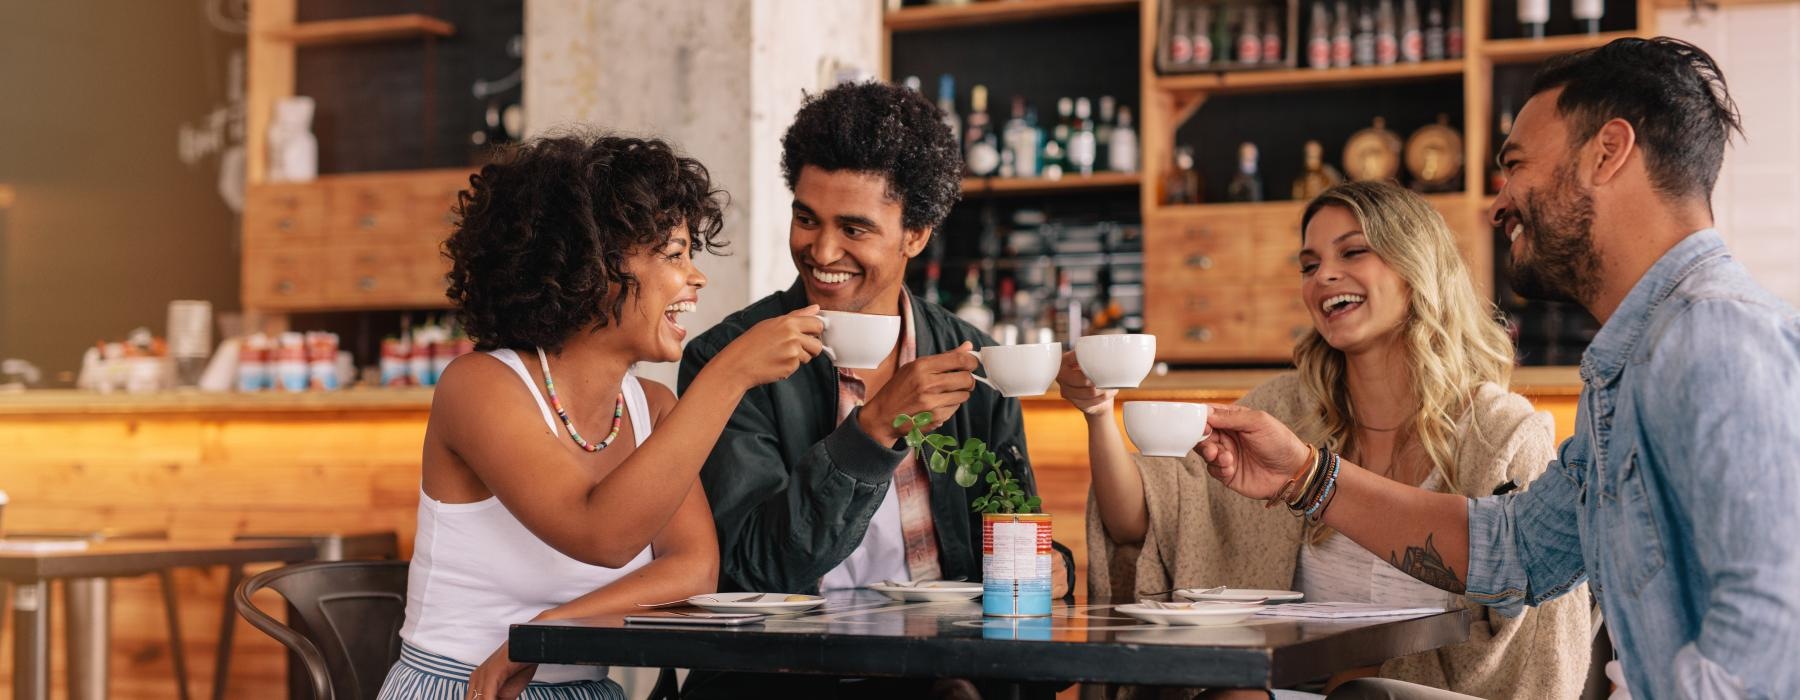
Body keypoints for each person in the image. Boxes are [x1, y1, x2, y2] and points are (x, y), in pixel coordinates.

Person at [1197, 38, 1800, 699]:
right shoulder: (1632, 367)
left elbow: (1768, 642)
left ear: (1608, 152)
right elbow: (1514, 549)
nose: (1497, 202)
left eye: (1515, 166)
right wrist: (1306, 476)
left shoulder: (1713, 337)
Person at [1067, 181, 1591, 699]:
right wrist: (1097, 411)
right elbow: (1140, 522)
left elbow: (1536, 653)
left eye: (1353, 251)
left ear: (1416, 267)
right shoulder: (1280, 411)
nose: (1324, 277)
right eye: (1310, 264)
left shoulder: (1499, 435)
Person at [378, 134, 827, 699]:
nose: (696, 277)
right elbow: (601, 534)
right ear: (594, 265)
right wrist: (730, 374)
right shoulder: (480, 387)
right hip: (466, 689)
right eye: (674, 254)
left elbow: (692, 572)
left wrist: (545, 632)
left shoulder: (653, 408)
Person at [677, 80, 1066, 698]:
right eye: (806, 218)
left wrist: (1051, 565)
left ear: (916, 234)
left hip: (943, 679)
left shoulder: (973, 360)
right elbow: (747, 572)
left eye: (854, 229)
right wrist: (870, 434)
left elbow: (1009, 531)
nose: (821, 250)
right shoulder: (730, 358)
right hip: (783, 681)